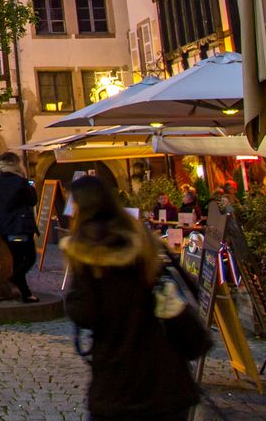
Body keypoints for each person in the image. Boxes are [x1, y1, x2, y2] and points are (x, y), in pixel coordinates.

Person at [63, 175, 199, 421]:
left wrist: (72, 296)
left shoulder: (88, 246)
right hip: (166, 376)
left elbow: (86, 312)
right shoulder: (137, 232)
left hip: (120, 379)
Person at [0, 152, 38, 303]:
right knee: (29, 257)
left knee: (18, 258)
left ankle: (25, 293)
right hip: (20, 226)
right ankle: (15, 278)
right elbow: (32, 200)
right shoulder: (20, 181)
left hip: (4, 226)